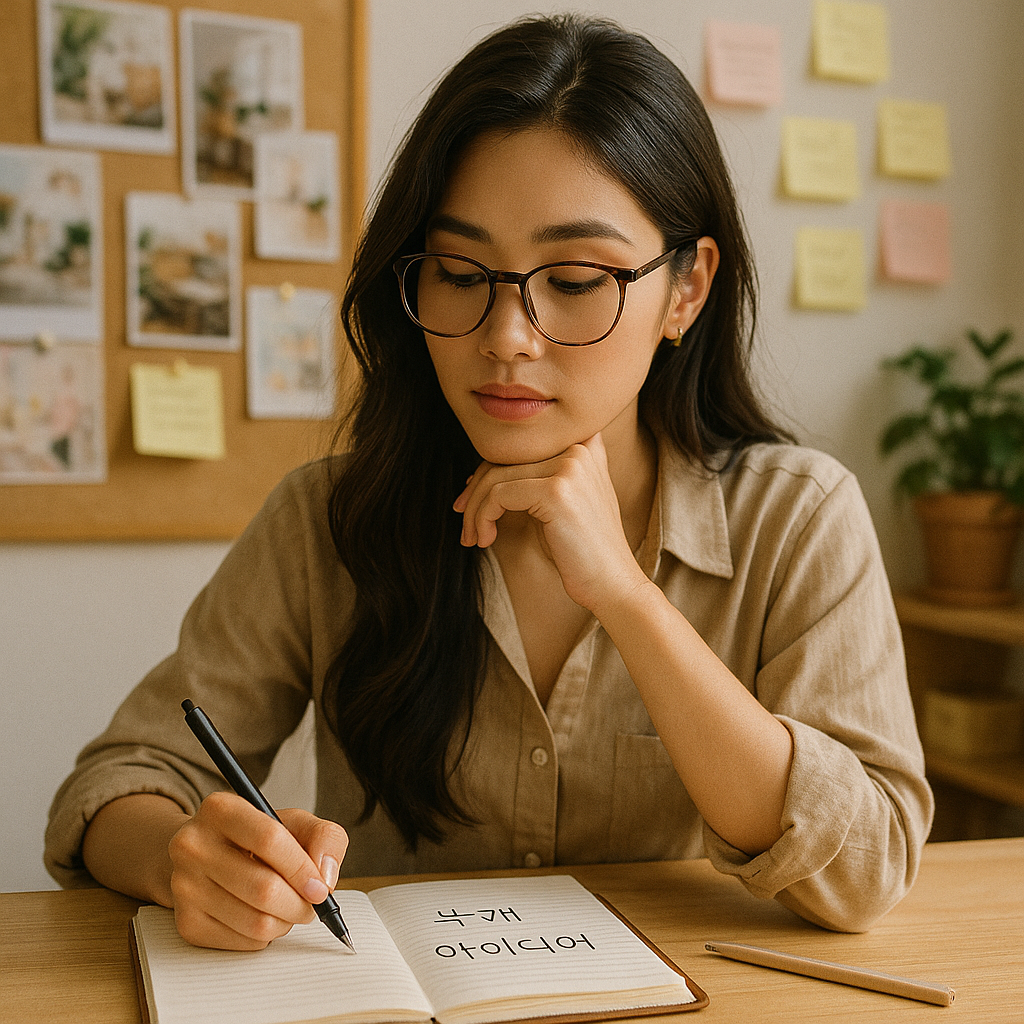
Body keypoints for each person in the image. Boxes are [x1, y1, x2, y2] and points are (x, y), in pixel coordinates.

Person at [46, 14, 932, 950]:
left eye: (578, 278)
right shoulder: (328, 520)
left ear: (687, 289)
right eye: (460, 271)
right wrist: (186, 855)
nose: (507, 335)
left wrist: (628, 597)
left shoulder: (798, 519)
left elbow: (867, 870)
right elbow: (118, 780)